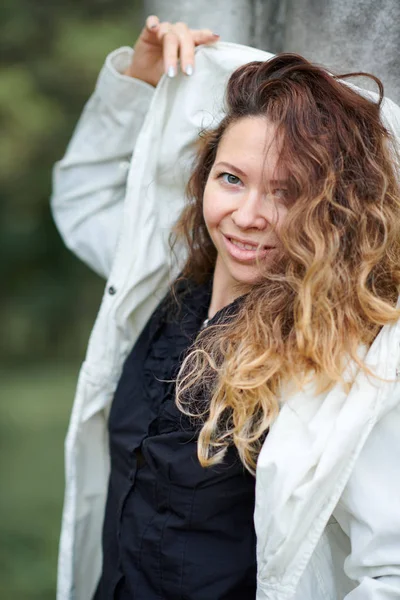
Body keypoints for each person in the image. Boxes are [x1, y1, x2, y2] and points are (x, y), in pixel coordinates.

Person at [51, 14, 400, 600]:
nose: (247, 216)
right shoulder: (167, 283)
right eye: (232, 179)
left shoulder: (348, 359)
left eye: (287, 191)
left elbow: (389, 573)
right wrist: (137, 80)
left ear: (334, 210)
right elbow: (82, 200)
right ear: (204, 173)